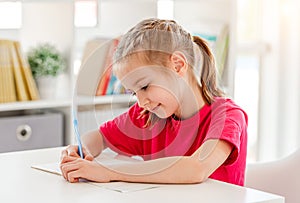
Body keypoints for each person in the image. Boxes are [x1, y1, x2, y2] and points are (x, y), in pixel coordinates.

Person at [60, 18, 248, 186]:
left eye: (144, 87)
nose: (141, 102)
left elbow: (197, 168)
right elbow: (100, 137)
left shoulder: (227, 116)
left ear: (177, 65)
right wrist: (81, 149)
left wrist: (110, 172)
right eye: (134, 93)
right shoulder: (147, 116)